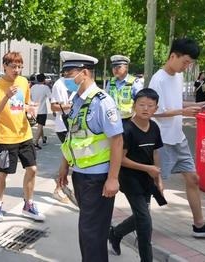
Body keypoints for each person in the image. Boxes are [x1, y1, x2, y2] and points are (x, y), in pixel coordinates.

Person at [148, 38, 205, 238]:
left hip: (178, 138)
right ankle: (134, 226)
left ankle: (199, 225)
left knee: (193, 178)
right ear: (173, 56)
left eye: (190, 63)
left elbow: (172, 102)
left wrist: (198, 106)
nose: (187, 66)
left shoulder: (178, 77)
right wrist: (183, 111)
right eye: (185, 62)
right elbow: (154, 112)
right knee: (153, 186)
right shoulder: (158, 79)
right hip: (161, 141)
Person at [58, 51, 124, 261]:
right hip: (81, 175)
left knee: (92, 233)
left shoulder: (103, 102)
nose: (66, 79)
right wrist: (64, 166)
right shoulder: (77, 100)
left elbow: (117, 140)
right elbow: (72, 137)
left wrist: (113, 178)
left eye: (70, 74)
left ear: (84, 73)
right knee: (88, 232)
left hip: (98, 178)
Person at [108, 88, 164, 262]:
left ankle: (115, 234)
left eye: (150, 105)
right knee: (145, 223)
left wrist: (158, 179)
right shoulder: (127, 129)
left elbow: (155, 154)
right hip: (129, 180)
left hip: (147, 180)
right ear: (134, 106)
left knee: (141, 216)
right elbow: (120, 159)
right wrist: (147, 168)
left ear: (156, 108)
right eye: (141, 105)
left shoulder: (154, 127)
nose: (145, 109)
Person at [0, 51, 44, 222]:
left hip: (24, 134)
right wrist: (6, 96)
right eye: (13, 67)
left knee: (32, 169)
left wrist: (30, 108)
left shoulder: (23, 82)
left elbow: (23, 104)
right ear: (4, 66)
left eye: (20, 67)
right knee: (3, 173)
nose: (17, 70)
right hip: (6, 137)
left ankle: (28, 205)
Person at [49, 51, 81, 203]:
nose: (70, 73)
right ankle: (59, 187)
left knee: (70, 157)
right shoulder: (58, 84)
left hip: (78, 125)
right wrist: (70, 106)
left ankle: (63, 186)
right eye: (68, 70)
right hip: (64, 125)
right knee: (70, 157)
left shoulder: (80, 82)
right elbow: (54, 107)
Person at [105, 55, 143, 120]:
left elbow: (140, 102)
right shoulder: (110, 82)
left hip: (129, 119)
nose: (115, 70)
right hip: (112, 119)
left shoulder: (134, 82)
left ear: (126, 68)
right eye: (113, 67)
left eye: (118, 67)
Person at [30, 73, 51, 149]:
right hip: (42, 110)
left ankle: (43, 139)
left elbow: (29, 97)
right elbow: (50, 98)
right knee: (40, 126)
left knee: (40, 125)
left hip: (34, 110)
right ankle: (35, 143)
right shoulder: (46, 88)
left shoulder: (33, 87)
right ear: (44, 79)